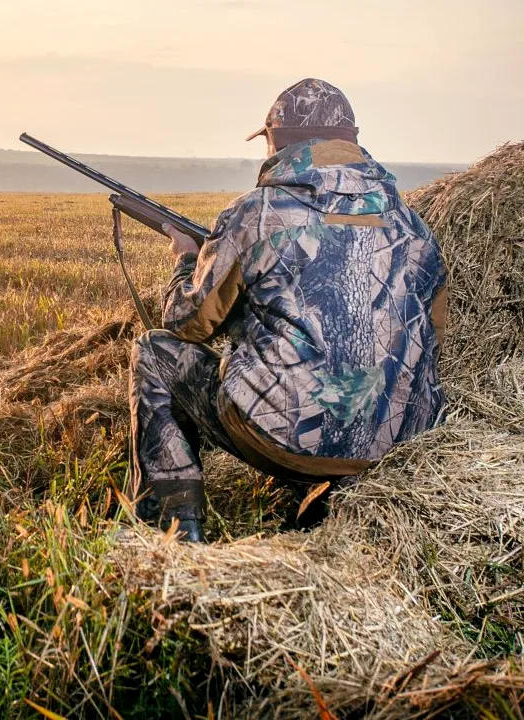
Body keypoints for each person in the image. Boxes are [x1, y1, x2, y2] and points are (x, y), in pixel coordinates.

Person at [129, 78, 447, 543]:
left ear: (277, 142)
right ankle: (336, 500)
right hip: (396, 444)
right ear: (350, 143)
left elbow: (186, 323)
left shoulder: (257, 212)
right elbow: (432, 339)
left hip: (287, 438)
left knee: (153, 353)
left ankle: (175, 532)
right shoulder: (412, 224)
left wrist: (186, 261)